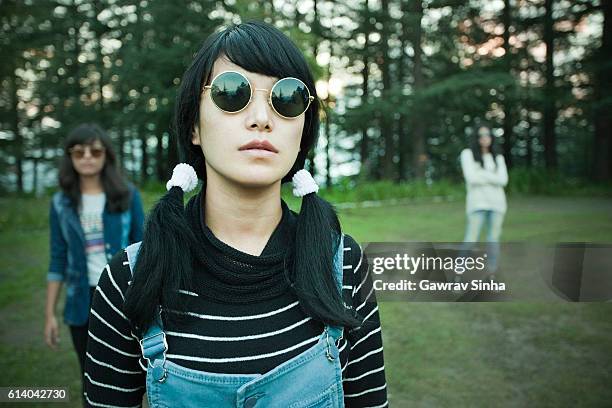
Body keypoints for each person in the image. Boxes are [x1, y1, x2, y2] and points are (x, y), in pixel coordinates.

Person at [84, 21, 388, 408]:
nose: (262, 117)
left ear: (303, 131)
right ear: (194, 125)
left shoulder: (343, 265)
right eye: (233, 93)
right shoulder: (129, 278)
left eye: (287, 98)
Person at [44, 123, 145, 407]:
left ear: (106, 156)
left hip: (122, 296)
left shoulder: (127, 195)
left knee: (129, 374)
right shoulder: (61, 203)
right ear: (70, 158)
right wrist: (49, 314)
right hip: (80, 300)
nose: (87, 157)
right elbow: (57, 258)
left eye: (95, 151)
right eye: (79, 152)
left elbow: (144, 250)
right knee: (90, 375)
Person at [460, 124, 508, 281]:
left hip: (497, 204)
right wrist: (492, 176)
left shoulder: (498, 157)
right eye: (481, 135)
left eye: (487, 134)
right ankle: (459, 274)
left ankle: (491, 273)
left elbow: (503, 180)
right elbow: (471, 178)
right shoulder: (467, 154)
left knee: (493, 239)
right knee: (471, 238)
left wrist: (482, 174)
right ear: (476, 138)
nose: (484, 138)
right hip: (477, 204)